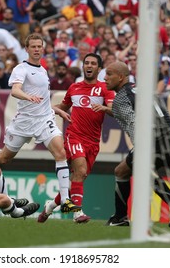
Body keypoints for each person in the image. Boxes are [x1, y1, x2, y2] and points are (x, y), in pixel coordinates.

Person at [0, 33, 81, 214]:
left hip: (44, 120)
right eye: (33, 46)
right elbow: (15, 91)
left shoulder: (43, 70)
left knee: (60, 152)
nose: (37, 49)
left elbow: (43, 100)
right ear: (27, 49)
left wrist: (58, 110)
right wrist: (28, 97)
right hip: (24, 122)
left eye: (39, 46)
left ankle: (65, 200)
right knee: (3, 158)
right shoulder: (20, 69)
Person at [103, 61, 170, 228]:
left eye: (109, 74)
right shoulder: (140, 89)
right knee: (138, 172)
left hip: (154, 141)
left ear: (120, 77)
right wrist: (108, 110)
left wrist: (139, 148)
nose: (105, 78)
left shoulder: (121, 98)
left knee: (124, 171)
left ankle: (120, 217)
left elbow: (133, 122)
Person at [38, 53, 115, 224]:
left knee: (77, 180)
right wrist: (49, 109)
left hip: (93, 142)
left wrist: (103, 108)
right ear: (83, 66)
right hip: (74, 136)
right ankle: (77, 213)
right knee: (79, 170)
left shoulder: (105, 89)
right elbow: (62, 107)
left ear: (99, 68)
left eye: (93, 63)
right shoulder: (74, 88)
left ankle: (50, 206)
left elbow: (113, 110)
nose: (89, 66)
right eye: (86, 63)